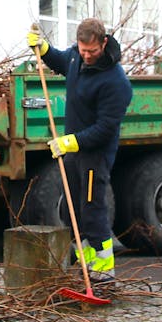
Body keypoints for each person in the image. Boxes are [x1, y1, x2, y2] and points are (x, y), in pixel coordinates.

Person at [27, 18, 132, 282]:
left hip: (95, 154)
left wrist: (70, 142)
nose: (87, 56)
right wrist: (43, 49)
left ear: (103, 42)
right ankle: (86, 262)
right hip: (74, 150)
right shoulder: (76, 58)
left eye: (92, 51)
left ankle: (103, 267)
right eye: (83, 50)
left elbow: (106, 128)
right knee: (71, 207)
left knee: (91, 208)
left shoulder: (116, 82)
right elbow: (62, 61)